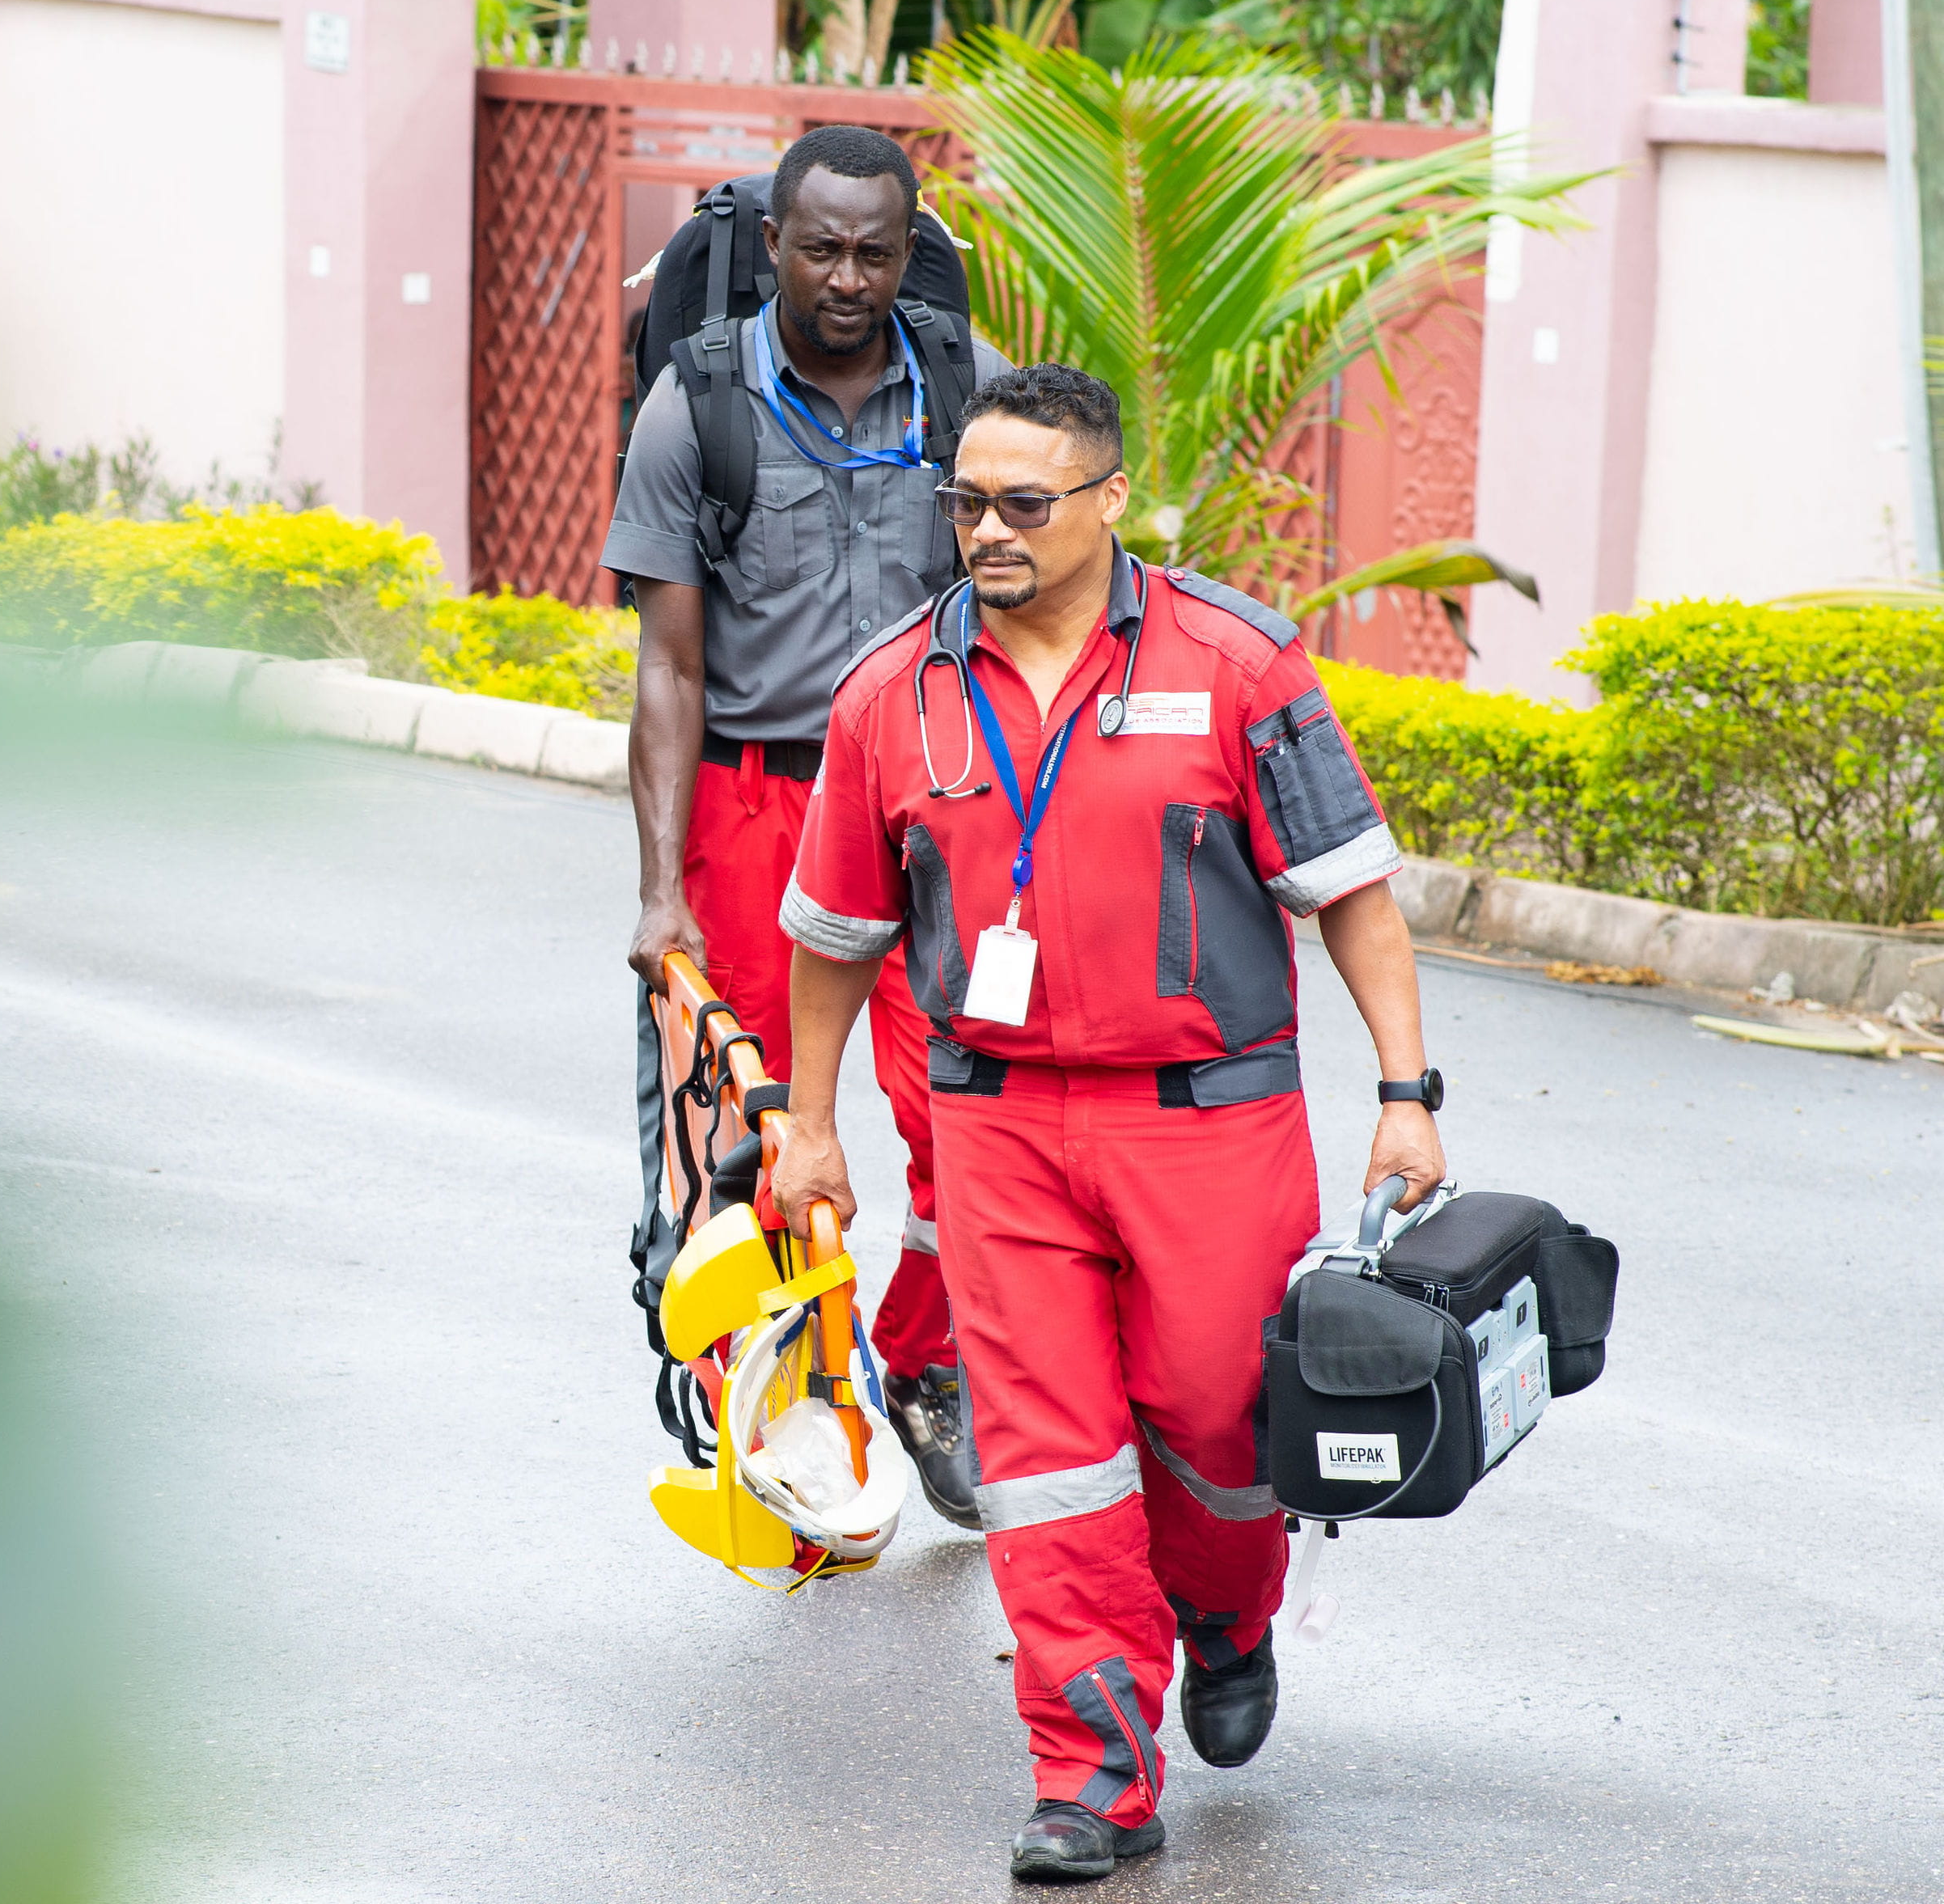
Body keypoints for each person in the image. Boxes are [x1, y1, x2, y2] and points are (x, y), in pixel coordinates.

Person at [767, 363, 1446, 1883]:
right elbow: (833, 935)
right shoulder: (897, 689)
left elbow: (1350, 894)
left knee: (1215, 1420)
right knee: (1048, 1457)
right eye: (966, 502)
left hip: (1211, 1123)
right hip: (999, 1127)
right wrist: (807, 1121)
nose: (988, 531)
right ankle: (1095, 1772)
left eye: (1023, 502)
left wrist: (1405, 1092)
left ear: (1108, 500)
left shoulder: (1238, 665)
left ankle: (1226, 1610)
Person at [604, 125, 997, 1525]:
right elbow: (668, 666)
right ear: (773, 243)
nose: (846, 275)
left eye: (874, 251)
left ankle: (924, 1367)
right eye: (819, 246)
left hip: (935, 811)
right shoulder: (694, 409)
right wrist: (664, 896)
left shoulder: (967, 397)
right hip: (755, 806)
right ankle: (774, 1400)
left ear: (908, 255)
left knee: (973, 1115)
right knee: (756, 1125)